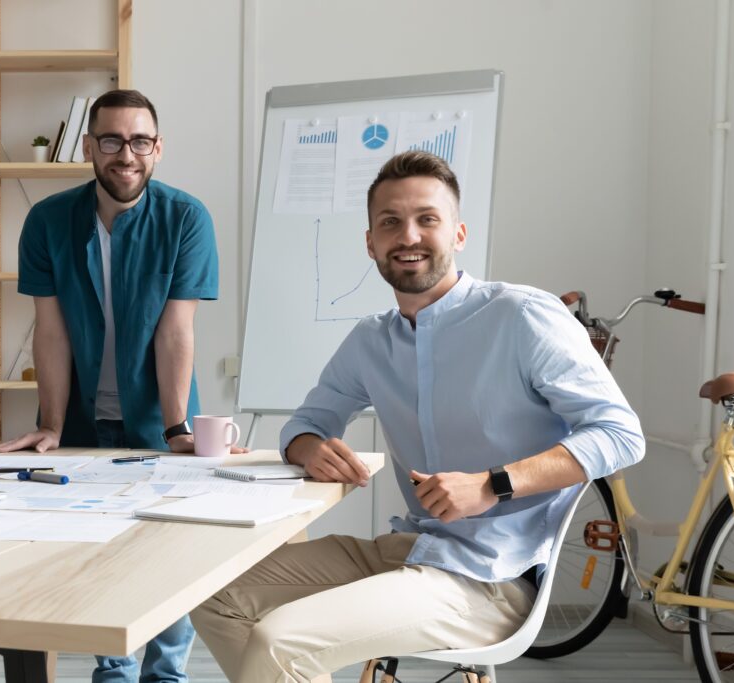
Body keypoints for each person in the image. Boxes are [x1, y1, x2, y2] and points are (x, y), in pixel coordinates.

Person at [191, 151, 646, 682]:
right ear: (371, 243)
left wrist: (493, 484)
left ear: (458, 234)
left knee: (279, 639)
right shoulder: (371, 339)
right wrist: (308, 445)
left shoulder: (522, 316)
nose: (408, 236)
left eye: (427, 219)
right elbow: (307, 421)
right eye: (390, 223)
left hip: (492, 577)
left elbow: (620, 434)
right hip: (411, 549)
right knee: (216, 596)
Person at [0, 89, 220, 682]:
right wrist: (49, 422)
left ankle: (165, 676)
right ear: (89, 147)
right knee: (101, 553)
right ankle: (113, 671)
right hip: (84, 424)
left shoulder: (186, 218)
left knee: (168, 551)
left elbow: (176, 331)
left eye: (140, 141)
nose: (126, 154)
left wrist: (175, 426)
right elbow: (51, 331)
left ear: (157, 148)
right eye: (112, 140)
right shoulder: (48, 220)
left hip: (161, 419)